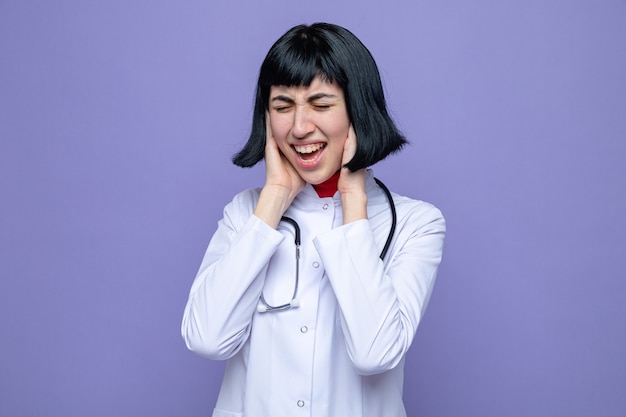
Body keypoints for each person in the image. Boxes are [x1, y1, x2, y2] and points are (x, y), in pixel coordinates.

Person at [181, 22, 445, 417]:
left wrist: (352, 200)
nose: (300, 127)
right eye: (283, 106)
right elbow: (206, 339)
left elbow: (375, 354)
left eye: (321, 105)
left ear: (358, 109)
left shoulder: (416, 223)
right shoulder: (245, 215)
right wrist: (273, 198)